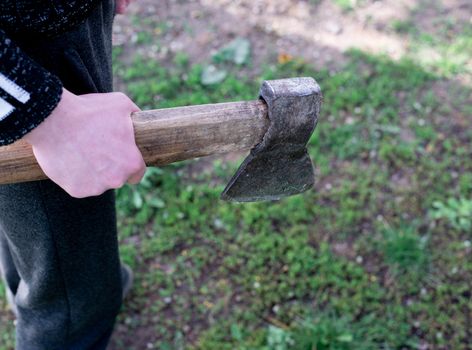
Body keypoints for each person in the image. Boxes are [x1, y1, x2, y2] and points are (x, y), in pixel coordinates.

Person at [0, 0, 146, 349]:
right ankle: (68, 310)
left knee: (33, 236)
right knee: (75, 299)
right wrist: (46, 114)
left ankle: (33, 286)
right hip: (28, 54)